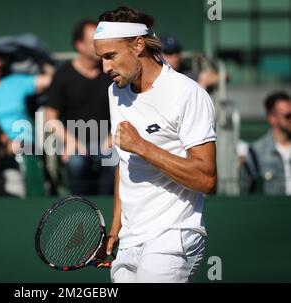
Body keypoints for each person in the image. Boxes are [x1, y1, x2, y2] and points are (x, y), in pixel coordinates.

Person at [93, 7, 217, 283]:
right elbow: (125, 165)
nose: (105, 68)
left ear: (138, 45)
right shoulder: (115, 91)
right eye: (101, 58)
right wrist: (116, 227)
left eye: (110, 56)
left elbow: (207, 179)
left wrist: (143, 147)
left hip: (173, 236)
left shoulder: (188, 94)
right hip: (129, 239)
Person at [44, 20, 114, 195]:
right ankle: (80, 211)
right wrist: (71, 142)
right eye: (94, 41)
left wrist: (112, 140)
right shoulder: (63, 76)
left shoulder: (112, 74)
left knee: (114, 159)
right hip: (75, 146)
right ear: (79, 45)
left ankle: (109, 210)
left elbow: (127, 112)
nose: (100, 45)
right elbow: (50, 118)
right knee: (76, 163)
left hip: (108, 144)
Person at [244, 91, 291, 195]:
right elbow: (247, 192)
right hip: (273, 210)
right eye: (288, 116)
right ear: (272, 119)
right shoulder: (256, 152)